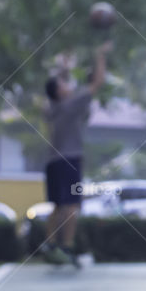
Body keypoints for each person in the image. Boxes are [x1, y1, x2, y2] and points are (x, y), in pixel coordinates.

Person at [41, 41, 112, 266]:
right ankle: (66, 246)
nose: (67, 84)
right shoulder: (70, 104)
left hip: (53, 162)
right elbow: (98, 82)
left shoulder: (51, 107)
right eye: (64, 83)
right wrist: (100, 54)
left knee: (56, 205)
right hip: (69, 160)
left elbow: (54, 85)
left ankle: (50, 244)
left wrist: (64, 67)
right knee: (72, 205)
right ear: (60, 92)